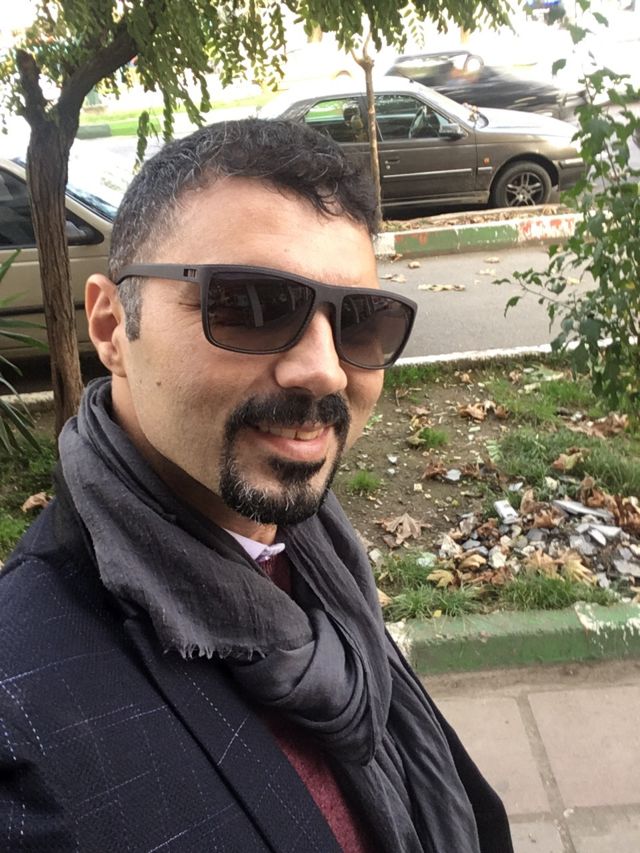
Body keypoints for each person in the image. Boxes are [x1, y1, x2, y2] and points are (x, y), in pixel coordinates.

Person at [0, 118, 513, 852]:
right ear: (112, 327)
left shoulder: (320, 561)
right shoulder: (22, 735)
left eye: (359, 321)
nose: (324, 370)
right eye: (248, 305)